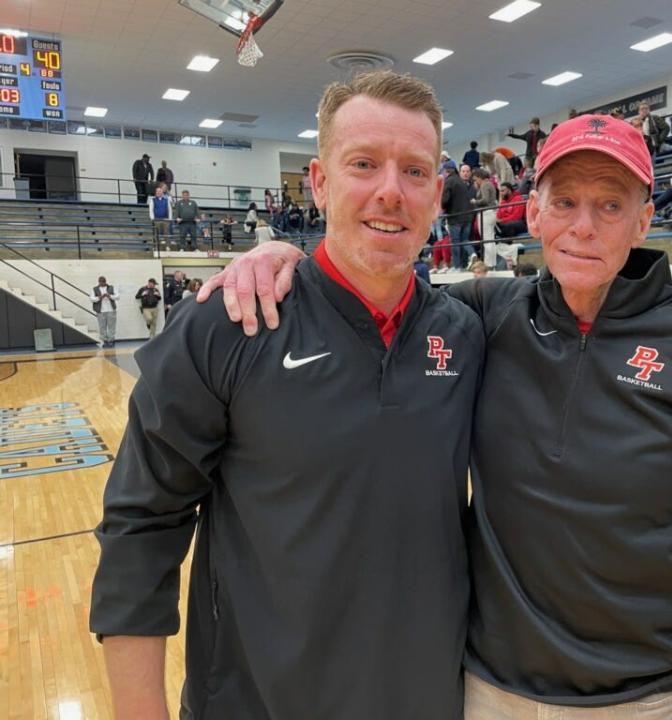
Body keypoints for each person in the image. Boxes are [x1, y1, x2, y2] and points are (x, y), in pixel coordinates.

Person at [200, 111, 672, 720]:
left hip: (645, 699)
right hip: (490, 691)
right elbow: (374, 282)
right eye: (566, 201)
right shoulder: (487, 316)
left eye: (610, 206)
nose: (584, 227)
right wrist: (284, 256)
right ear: (532, 212)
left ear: (644, 220)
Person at [90, 70, 483, 720]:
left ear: (438, 194)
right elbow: (140, 526)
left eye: (415, 172)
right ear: (320, 182)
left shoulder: (467, 335)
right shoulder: (228, 324)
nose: (391, 191)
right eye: (364, 164)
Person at [442, 161, 475, 269]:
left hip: (455, 217)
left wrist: (442, 206)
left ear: (446, 171)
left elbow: (445, 200)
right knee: (465, 239)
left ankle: (457, 266)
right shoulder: (461, 182)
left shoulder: (449, 182)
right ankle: (472, 253)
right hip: (467, 216)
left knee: (455, 242)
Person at [471, 168, 498, 268]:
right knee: (490, 239)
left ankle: (488, 264)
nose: (475, 181)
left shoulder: (484, 185)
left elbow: (485, 200)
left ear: (479, 177)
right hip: (491, 213)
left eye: (475, 179)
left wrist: (475, 201)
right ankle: (492, 263)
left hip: (486, 213)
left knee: (487, 240)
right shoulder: (489, 184)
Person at [91, 275, 118, 347]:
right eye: (101, 282)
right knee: (102, 326)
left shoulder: (111, 287)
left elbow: (117, 297)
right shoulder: (95, 289)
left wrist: (109, 296)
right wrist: (100, 297)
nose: (102, 284)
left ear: (105, 281)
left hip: (111, 310)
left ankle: (111, 340)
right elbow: (92, 299)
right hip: (100, 311)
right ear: (98, 282)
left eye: (103, 282)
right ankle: (105, 341)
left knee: (111, 326)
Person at [147, 183, 173, 249]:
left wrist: (170, 218)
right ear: (155, 192)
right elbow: (151, 210)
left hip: (165, 219)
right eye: (157, 191)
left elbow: (170, 209)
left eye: (160, 191)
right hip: (156, 219)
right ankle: (155, 246)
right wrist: (152, 218)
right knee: (155, 233)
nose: (158, 192)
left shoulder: (166, 200)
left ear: (162, 192)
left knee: (166, 233)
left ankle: (167, 246)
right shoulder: (153, 200)